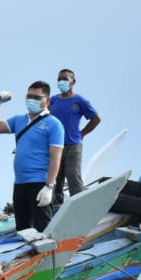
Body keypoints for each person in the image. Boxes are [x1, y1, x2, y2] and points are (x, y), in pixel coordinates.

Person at [0, 82, 64, 232]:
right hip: (20, 183)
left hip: (40, 183)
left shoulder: (54, 124)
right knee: (22, 229)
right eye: (29, 96)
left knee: (42, 229)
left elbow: (56, 158)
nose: (32, 100)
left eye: (37, 97)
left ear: (47, 100)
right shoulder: (19, 120)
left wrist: (49, 186)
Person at [50, 69, 101, 205]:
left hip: (73, 145)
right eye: (59, 79)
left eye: (65, 79)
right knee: (56, 178)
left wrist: (82, 133)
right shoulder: (53, 101)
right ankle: (56, 206)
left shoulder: (80, 101)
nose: (61, 82)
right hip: (56, 146)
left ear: (73, 81)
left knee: (73, 176)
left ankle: (81, 205)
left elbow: (96, 119)